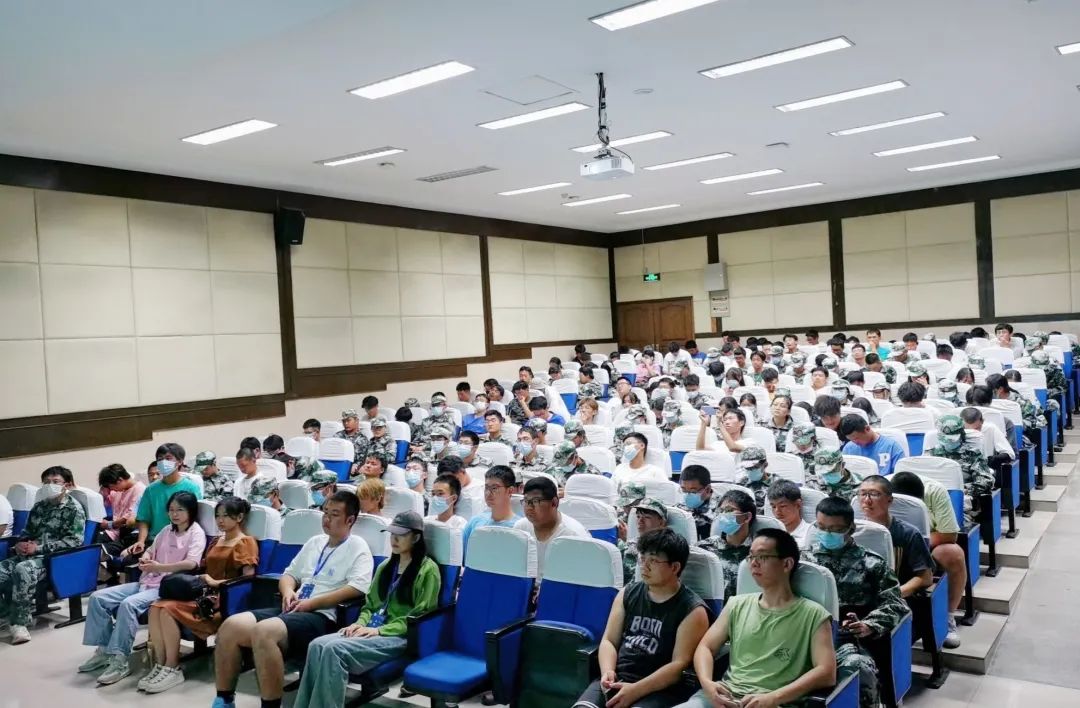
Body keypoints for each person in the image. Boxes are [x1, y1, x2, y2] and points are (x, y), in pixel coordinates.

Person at [211, 491, 373, 708]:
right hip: (293, 607)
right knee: (230, 626)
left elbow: (358, 588)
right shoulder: (315, 542)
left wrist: (312, 603)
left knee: (264, 632)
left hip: (321, 615)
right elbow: (289, 575)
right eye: (325, 512)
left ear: (350, 520)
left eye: (334, 515)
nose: (326, 519)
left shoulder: (358, 547)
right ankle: (224, 699)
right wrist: (288, 591)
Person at [295, 510, 440, 708]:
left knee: (334, 649)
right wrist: (359, 623)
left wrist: (379, 630)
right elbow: (370, 605)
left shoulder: (428, 570)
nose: (394, 539)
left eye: (401, 535)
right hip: (371, 629)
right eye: (392, 533)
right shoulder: (386, 567)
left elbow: (420, 615)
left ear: (415, 537)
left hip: (398, 635)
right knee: (316, 645)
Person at [676, 528, 836, 708]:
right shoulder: (736, 604)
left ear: (787, 564)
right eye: (751, 556)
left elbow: (826, 672)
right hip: (723, 696)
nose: (754, 563)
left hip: (773, 703)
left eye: (762, 557)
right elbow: (706, 647)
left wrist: (774, 697)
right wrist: (708, 684)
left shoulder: (814, 614)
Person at [79, 491, 205, 684]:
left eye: (180, 510)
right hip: (147, 580)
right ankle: (105, 651)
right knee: (98, 598)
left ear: (191, 511)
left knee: (128, 604)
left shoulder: (196, 533)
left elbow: (192, 563)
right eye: (171, 510)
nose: (174, 514)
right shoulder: (166, 530)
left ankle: (120, 659)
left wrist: (159, 568)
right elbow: (150, 550)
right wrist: (145, 557)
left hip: (166, 586)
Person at [574, 529, 708, 708]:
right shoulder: (627, 593)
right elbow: (609, 641)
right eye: (642, 558)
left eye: (653, 560)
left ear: (675, 567)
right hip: (617, 678)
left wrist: (635, 690)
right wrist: (608, 672)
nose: (644, 566)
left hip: (658, 689)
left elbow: (678, 666)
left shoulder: (693, 610)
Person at [140, 498, 258, 693]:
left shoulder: (245, 542)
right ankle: (161, 665)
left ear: (239, 517)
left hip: (223, 600)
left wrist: (215, 582)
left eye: (226, 516)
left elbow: (248, 579)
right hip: (203, 594)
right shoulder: (216, 541)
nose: (220, 520)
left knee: (167, 609)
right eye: (217, 516)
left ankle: (172, 667)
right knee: (156, 607)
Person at [803, 497, 907, 707]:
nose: (826, 533)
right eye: (821, 527)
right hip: (804, 636)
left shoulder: (871, 563)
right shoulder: (803, 561)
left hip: (847, 639)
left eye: (834, 529)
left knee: (860, 668)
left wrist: (869, 624)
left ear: (850, 528)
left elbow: (895, 604)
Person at [0, 467, 85, 645]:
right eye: (46, 482)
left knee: (22, 569)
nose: (50, 485)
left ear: (67, 485)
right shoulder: (39, 507)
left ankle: (19, 624)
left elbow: (74, 542)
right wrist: (20, 544)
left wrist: (38, 549)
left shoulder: (74, 509)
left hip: (53, 559)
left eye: (55, 482)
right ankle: (7, 613)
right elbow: (26, 533)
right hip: (29, 554)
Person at [890, 471, 964, 647]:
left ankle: (947, 617)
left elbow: (949, 535)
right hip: (890, 545)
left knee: (952, 553)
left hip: (925, 545)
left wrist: (914, 543)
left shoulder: (935, 491)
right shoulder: (876, 491)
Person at [858, 477, 933, 597]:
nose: (867, 500)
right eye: (863, 494)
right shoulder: (852, 532)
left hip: (896, 598)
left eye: (874, 494)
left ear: (889, 500)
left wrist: (894, 594)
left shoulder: (908, 534)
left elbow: (925, 577)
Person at [131, 443, 203, 560]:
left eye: (168, 458)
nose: (163, 462)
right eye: (160, 459)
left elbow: (196, 517)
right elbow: (144, 519)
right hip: (154, 541)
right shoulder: (151, 489)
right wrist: (141, 541)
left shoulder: (191, 487)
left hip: (181, 542)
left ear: (180, 461)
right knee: (126, 559)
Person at [514, 476, 588, 582]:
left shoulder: (574, 536)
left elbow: (580, 578)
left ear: (554, 503)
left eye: (536, 501)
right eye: (526, 501)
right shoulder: (520, 528)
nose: (529, 507)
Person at [929, 414, 995, 524]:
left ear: (961, 435)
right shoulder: (931, 455)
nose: (949, 442)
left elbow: (986, 480)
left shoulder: (972, 454)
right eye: (946, 439)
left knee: (952, 520)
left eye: (953, 439)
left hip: (961, 499)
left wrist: (966, 490)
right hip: (934, 498)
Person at [697, 489, 756, 603]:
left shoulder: (758, 551)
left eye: (729, 510)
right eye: (721, 511)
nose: (723, 515)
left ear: (747, 517)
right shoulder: (704, 548)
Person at [462, 465, 522, 551]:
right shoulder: (475, 522)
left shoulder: (519, 527)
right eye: (486, 488)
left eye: (494, 488)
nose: (488, 493)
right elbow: (462, 555)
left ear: (510, 491)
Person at [97, 463, 145, 557]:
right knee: (88, 541)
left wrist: (109, 524)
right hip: (113, 532)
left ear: (119, 480)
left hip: (128, 533)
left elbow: (129, 518)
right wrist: (103, 492)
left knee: (96, 550)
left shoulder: (140, 490)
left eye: (111, 486)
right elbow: (103, 502)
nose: (111, 489)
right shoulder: (119, 491)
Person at [618, 497, 668, 585]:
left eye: (647, 517)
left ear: (661, 523)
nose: (640, 521)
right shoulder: (628, 545)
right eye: (638, 516)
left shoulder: (666, 547)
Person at [841, 414, 907, 475]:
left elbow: (899, 476)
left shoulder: (892, 447)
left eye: (857, 438)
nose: (855, 442)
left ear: (867, 429)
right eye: (851, 440)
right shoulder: (848, 449)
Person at [677, 465, 716, 540]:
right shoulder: (678, 509)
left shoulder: (719, 510)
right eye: (684, 490)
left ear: (707, 489)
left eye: (693, 491)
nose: (687, 495)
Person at [768, 480, 812, 546]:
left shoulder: (811, 534)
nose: (777, 511)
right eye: (773, 507)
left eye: (782, 506)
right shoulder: (767, 535)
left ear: (798, 505)